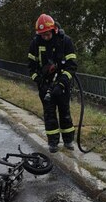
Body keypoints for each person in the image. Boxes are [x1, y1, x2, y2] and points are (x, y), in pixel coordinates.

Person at [28, 14, 78, 153]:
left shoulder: (65, 41)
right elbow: (31, 67)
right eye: (42, 34)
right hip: (45, 85)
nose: (45, 37)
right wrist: (39, 81)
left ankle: (68, 141)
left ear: (54, 30)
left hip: (62, 84)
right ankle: (53, 143)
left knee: (65, 113)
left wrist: (61, 84)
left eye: (47, 34)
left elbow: (72, 66)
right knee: (49, 115)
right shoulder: (35, 43)